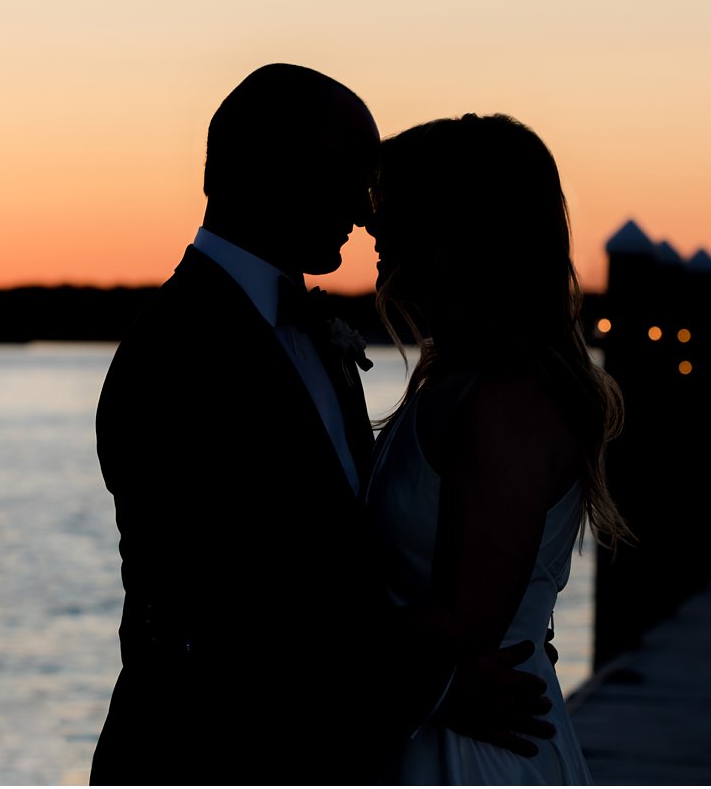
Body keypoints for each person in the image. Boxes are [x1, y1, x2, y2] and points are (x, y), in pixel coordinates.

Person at [91, 67, 554, 786]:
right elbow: (223, 610)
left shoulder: (312, 333)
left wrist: (500, 613)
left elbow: (347, 563)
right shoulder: (176, 350)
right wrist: (435, 686)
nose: (371, 206)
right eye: (355, 170)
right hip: (209, 757)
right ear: (274, 167)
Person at [365, 113, 631, 784]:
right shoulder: (456, 383)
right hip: (430, 727)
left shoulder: (507, 402)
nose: (371, 222)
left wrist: (288, 624)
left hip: (475, 747)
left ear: (453, 226)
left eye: (391, 202)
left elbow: (469, 621)